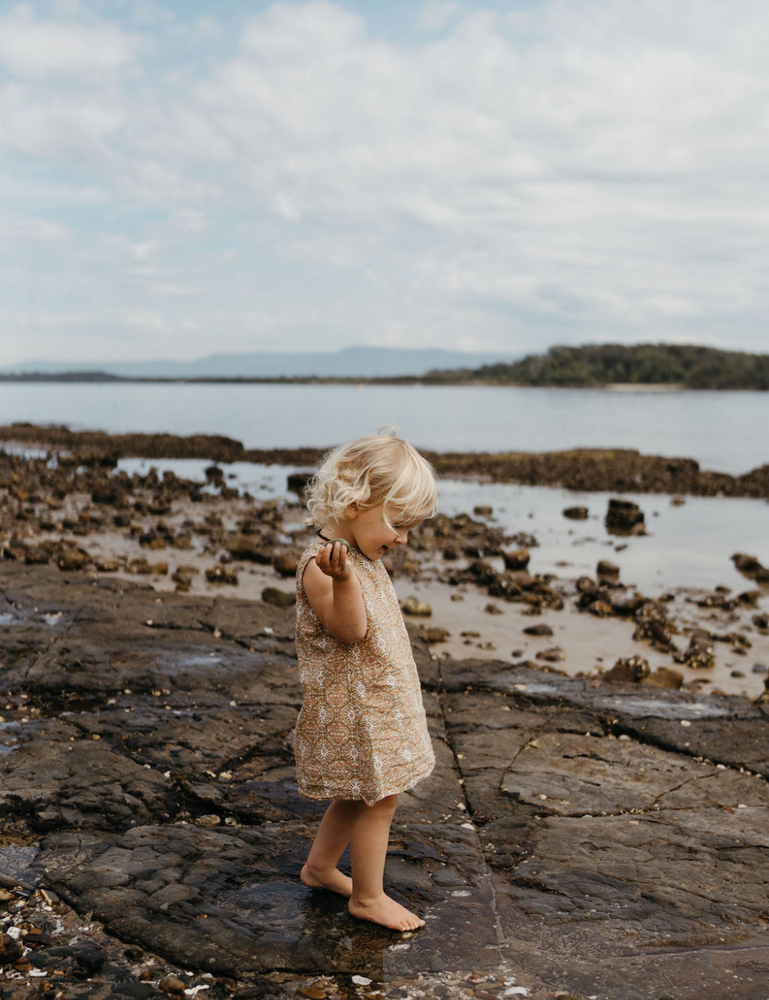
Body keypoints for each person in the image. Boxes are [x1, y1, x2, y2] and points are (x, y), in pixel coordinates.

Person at [294, 430, 438, 932]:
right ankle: (369, 897)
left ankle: (319, 868)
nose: (402, 538)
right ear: (356, 503)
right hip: (356, 709)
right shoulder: (324, 566)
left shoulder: (360, 555)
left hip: (376, 701)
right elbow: (350, 631)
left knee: (357, 794)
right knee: (381, 798)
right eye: (398, 523)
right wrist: (344, 581)